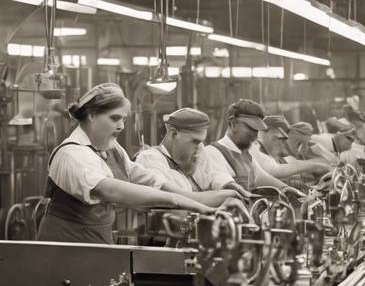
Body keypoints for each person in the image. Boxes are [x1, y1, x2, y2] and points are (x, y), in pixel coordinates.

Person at [37, 84, 217, 245]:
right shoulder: (72, 154)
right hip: (65, 253)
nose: (122, 126)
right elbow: (110, 190)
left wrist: (217, 197)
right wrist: (176, 200)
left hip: (96, 246)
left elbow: (143, 178)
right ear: (92, 115)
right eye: (115, 118)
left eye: (123, 119)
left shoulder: (112, 148)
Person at [133, 107, 249, 215]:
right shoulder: (150, 159)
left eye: (202, 142)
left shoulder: (193, 155)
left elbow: (215, 175)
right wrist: (225, 196)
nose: (200, 148)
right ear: (174, 134)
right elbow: (167, 195)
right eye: (195, 141)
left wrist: (233, 187)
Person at [203, 99, 296, 192]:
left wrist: (288, 190)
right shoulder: (213, 153)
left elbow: (262, 178)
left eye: (257, 130)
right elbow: (230, 188)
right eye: (250, 128)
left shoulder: (246, 156)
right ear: (233, 123)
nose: (255, 136)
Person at [251, 115, 330, 179]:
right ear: (261, 133)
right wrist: (314, 165)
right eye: (276, 138)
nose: (280, 144)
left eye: (282, 140)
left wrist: (320, 164)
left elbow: (294, 163)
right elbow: (275, 170)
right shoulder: (255, 148)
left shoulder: (272, 153)